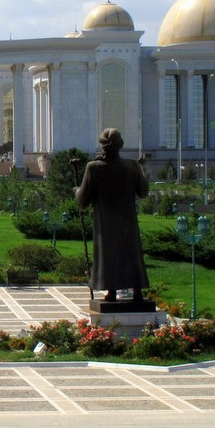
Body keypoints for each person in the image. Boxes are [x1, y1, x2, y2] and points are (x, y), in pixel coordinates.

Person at [74, 128, 149, 302]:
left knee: (108, 254)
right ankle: (137, 291)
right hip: (127, 221)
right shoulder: (132, 165)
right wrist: (141, 170)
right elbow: (143, 192)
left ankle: (112, 292)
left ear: (102, 146)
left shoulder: (94, 167)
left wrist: (76, 190)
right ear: (120, 146)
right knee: (131, 253)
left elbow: (83, 200)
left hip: (106, 222)